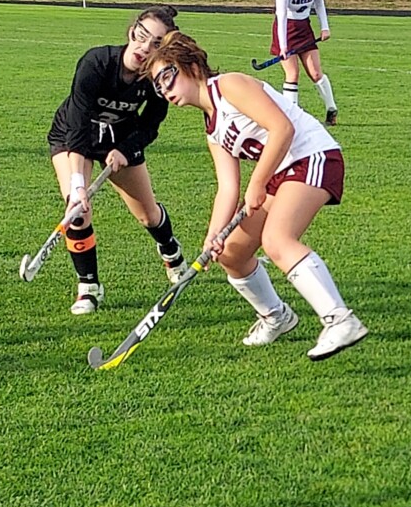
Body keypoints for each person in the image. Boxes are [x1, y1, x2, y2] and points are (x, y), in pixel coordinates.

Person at [143, 32, 367, 361]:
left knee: (277, 239)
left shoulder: (229, 86)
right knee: (231, 253)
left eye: (167, 76)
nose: (164, 89)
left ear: (191, 66)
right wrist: (212, 237)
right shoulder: (212, 129)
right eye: (157, 85)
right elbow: (227, 188)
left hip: (312, 156)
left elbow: (282, 129)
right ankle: (276, 316)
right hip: (282, 174)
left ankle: (340, 320)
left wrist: (258, 183)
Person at [47, 5, 188, 315]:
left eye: (156, 44)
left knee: (148, 215)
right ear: (131, 32)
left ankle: (170, 251)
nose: (144, 48)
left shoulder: (156, 79)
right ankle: (89, 287)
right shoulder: (96, 62)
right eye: (141, 36)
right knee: (77, 209)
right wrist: (78, 184)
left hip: (121, 138)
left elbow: (151, 125)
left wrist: (125, 148)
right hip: (74, 135)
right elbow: (77, 123)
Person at [272, 0, 338, 127]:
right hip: (286, 30)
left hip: (304, 28)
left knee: (316, 73)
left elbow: (320, 5)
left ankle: (331, 108)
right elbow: (281, 17)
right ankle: (292, 116)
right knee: (292, 74)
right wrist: (283, 46)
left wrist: (325, 28)